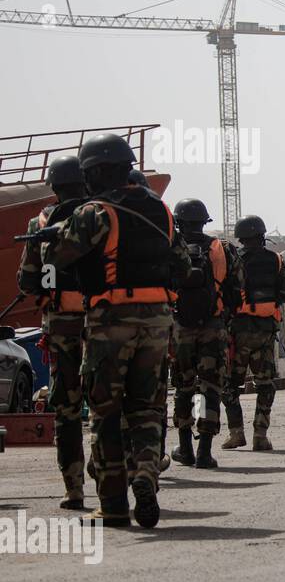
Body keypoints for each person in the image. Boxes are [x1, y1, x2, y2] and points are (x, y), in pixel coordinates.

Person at [44, 133, 191, 528]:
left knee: (106, 412)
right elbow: (183, 265)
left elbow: (59, 257)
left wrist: (53, 236)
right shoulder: (162, 210)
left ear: (95, 173)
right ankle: (145, 472)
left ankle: (112, 505)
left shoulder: (96, 211)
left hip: (111, 321)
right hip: (158, 321)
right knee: (147, 406)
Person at [17, 155, 89, 508]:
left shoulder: (41, 221)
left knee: (67, 406)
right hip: (102, 321)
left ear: (54, 185)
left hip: (60, 326)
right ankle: (128, 476)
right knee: (113, 403)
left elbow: (28, 280)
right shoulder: (102, 215)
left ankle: (73, 487)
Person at [168, 198, 241, 469]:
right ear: (204, 221)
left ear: (178, 221)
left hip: (180, 327)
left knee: (183, 388)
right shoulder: (222, 249)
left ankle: (184, 448)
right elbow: (237, 287)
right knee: (211, 388)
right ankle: (205, 452)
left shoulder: (170, 247)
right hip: (213, 327)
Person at [222, 215, 285, 451]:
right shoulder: (276, 260)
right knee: (265, 384)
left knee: (231, 386)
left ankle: (236, 433)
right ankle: (260, 435)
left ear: (241, 238)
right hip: (265, 331)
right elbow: (284, 294)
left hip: (238, 332)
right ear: (262, 235)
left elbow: (226, 294)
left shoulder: (234, 260)